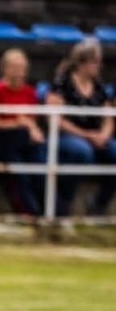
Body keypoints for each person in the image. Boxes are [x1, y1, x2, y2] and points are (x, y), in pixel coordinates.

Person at [46, 39, 115, 217]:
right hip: (68, 135)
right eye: (94, 61)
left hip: (95, 135)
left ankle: (99, 204)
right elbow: (56, 119)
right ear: (82, 62)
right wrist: (85, 135)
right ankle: (64, 201)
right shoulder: (62, 83)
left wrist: (104, 135)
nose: (98, 66)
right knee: (81, 152)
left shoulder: (99, 86)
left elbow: (108, 116)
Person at [0, 47, 44, 217]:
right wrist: (18, 122)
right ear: (5, 68)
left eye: (22, 68)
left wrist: (30, 127)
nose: (19, 72)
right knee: (19, 172)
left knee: (40, 166)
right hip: (4, 141)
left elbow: (31, 121)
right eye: (15, 67)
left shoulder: (30, 92)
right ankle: (28, 211)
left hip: (26, 142)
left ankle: (50, 211)